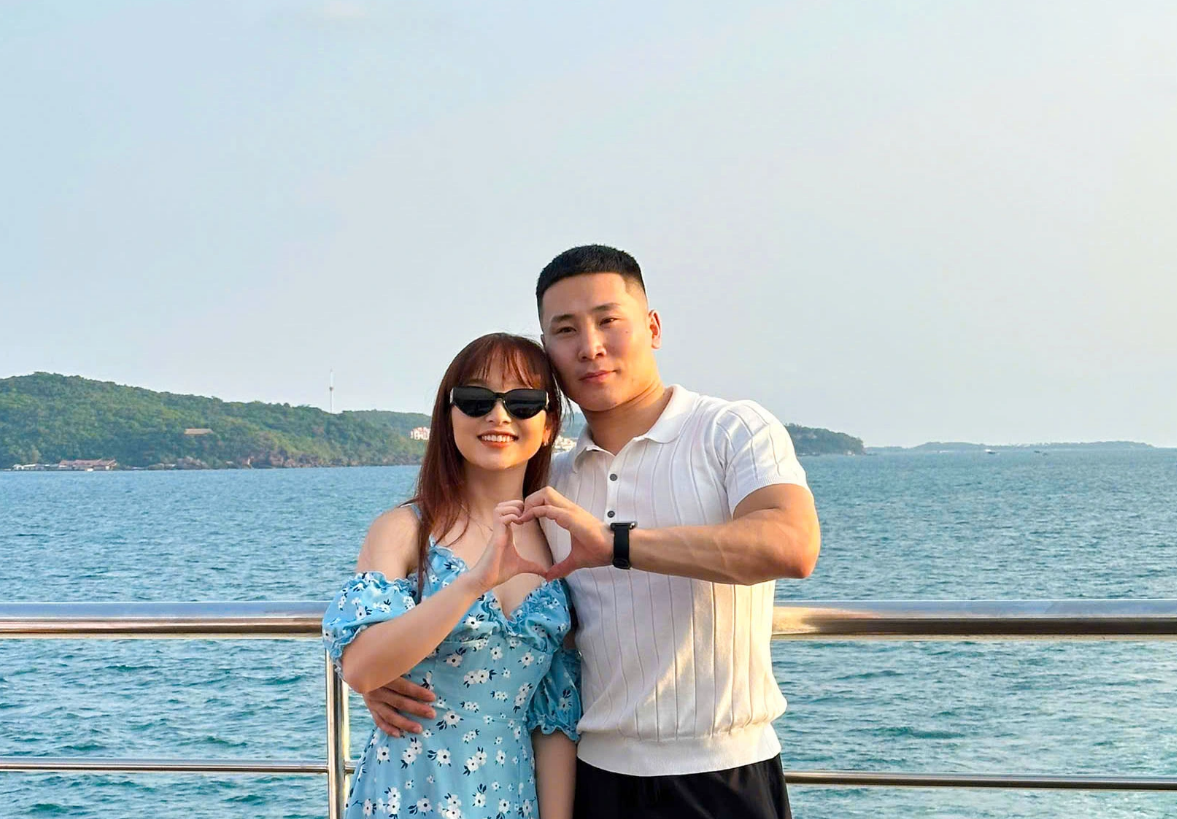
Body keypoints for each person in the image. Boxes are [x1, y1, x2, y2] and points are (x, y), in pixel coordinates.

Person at [363, 246, 821, 819]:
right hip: (596, 776)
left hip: (725, 770)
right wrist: (383, 675)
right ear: (549, 352)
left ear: (652, 327)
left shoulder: (731, 430)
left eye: (609, 321)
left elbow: (792, 544)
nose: (591, 346)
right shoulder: (545, 489)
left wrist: (616, 545)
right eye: (565, 329)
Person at [322, 333, 581, 819]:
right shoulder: (404, 530)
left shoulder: (557, 539)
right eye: (476, 399)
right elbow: (362, 666)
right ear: (449, 415)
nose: (499, 416)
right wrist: (472, 583)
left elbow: (554, 722)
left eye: (523, 402)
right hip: (408, 792)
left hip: (511, 797)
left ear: (548, 425)